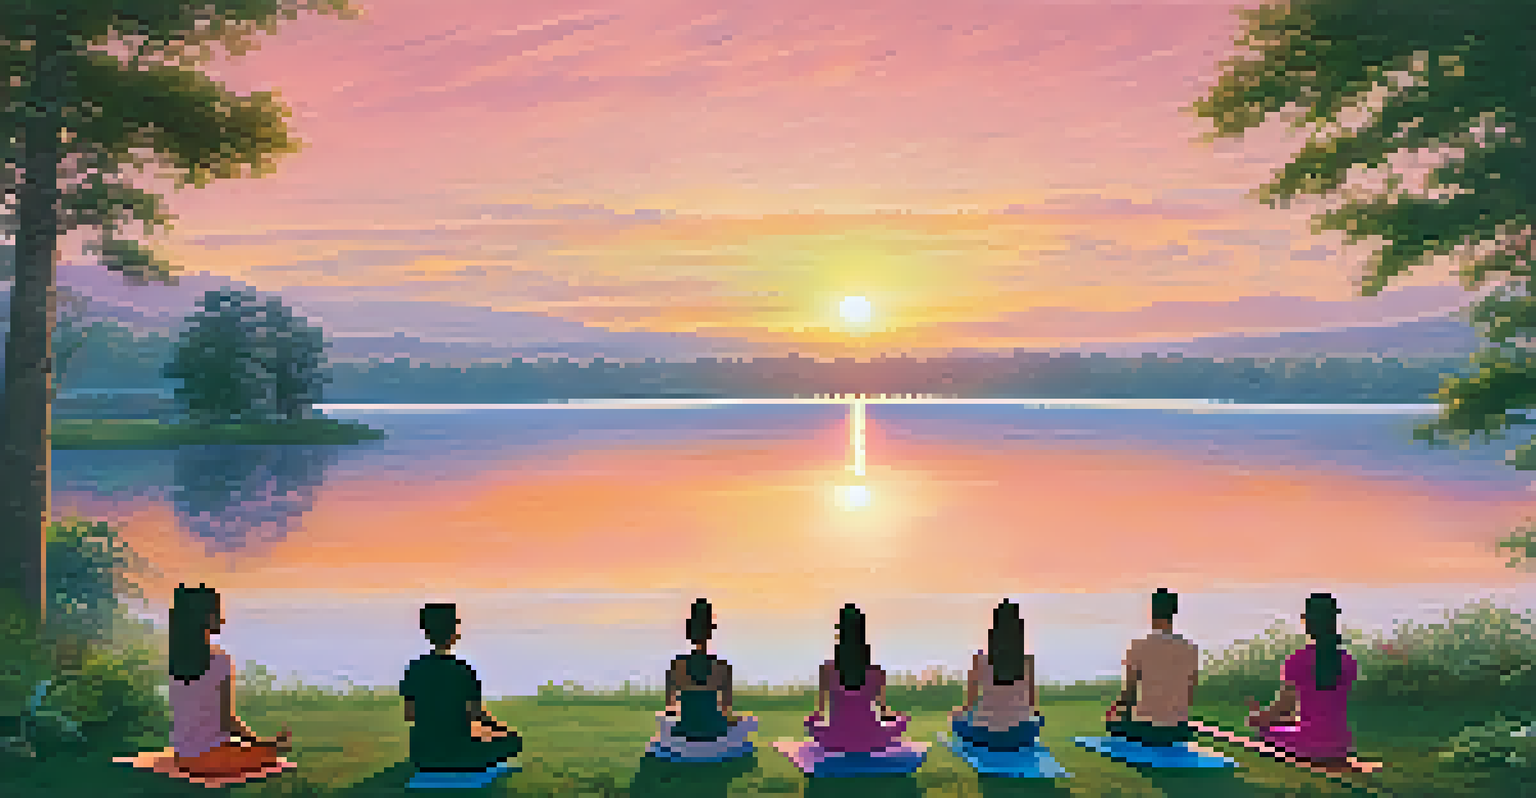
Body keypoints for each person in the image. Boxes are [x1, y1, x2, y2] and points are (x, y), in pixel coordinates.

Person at [165, 584, 292, 777]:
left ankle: (265, 748)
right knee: (271, 754)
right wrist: (260, 744)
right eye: (216, 613)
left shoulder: (175, 660)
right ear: (205, 618)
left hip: (183, 756)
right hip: (210, 759)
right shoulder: (219, 659)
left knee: (259, 750)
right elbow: (227, 721)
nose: (221, 619)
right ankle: (270, 748)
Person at [399, 603, 522, 772]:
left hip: (423, 754)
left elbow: (410, 715)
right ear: (453, 632)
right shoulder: (463, 670)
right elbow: (477, 715)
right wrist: (500, 730)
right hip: (458, 752)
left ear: (427, 632)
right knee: (513, 741)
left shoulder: (415, 668)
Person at [1246, 593, 1359, 764]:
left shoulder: (1298, 661)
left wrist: (1258, 718)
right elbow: (1322, 711)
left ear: (1308, 622)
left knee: (1262, 734)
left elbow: (1283, 709)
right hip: (1341, 745)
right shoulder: (1348, 662)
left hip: (1308, 745)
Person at [804, 603, 910, 752]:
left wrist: (813, 722)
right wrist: (897, 719)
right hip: (872, 738)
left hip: (835, 738)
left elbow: (821, 712)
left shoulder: (827, 670)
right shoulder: (876, 672)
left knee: (809, 723)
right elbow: (884, 712)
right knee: (902, 719)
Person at [655, 598, 758, 751]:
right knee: (748, 721)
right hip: (713, 731)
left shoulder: (676, 666)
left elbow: (670, 708)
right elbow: (726, 710)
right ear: (710, 631)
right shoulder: (723, 668)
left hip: (685, 730)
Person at [1102, 588, 1199, 746]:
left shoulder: (1138, 646)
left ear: (1152, 612)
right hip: (1178, 729)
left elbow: (1129, 694)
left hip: (1146, 729)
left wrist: (1116, 716)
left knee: (1112, 723)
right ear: (1173, 613)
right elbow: (1189, 690)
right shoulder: (1190, 648)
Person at [950, 599, 1042, 751]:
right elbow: (1031, 703)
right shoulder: (1027, 662)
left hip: (986, 735)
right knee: (1036, 720)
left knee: (955, 718)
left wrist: (959, 713)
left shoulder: (979, 660)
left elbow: (970, 704)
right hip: (1022, 735)